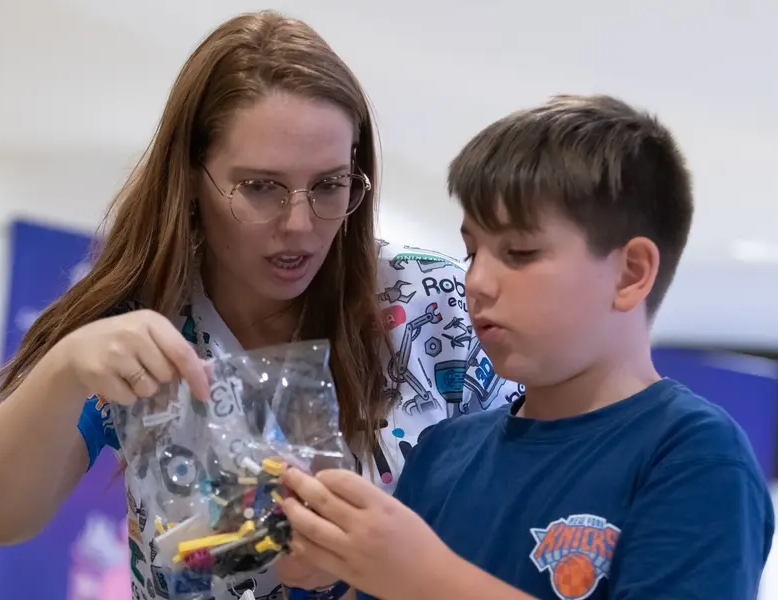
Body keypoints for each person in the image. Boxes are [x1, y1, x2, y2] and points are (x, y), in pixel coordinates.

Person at [0, 10, 520, 600]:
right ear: (191, 179)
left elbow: (546, 510)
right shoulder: (145, 322)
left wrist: (381, 564)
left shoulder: (436, 300)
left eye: (329, 185)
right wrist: (66, 367)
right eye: (260, 187)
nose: (299, 226)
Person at [278, 94, 775, 599]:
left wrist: (425, 578)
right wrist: (330, 556)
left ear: (630, 273)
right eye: (472, 251)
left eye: (519, 252)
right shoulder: (444, 453)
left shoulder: (695, 456)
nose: (477, 282)